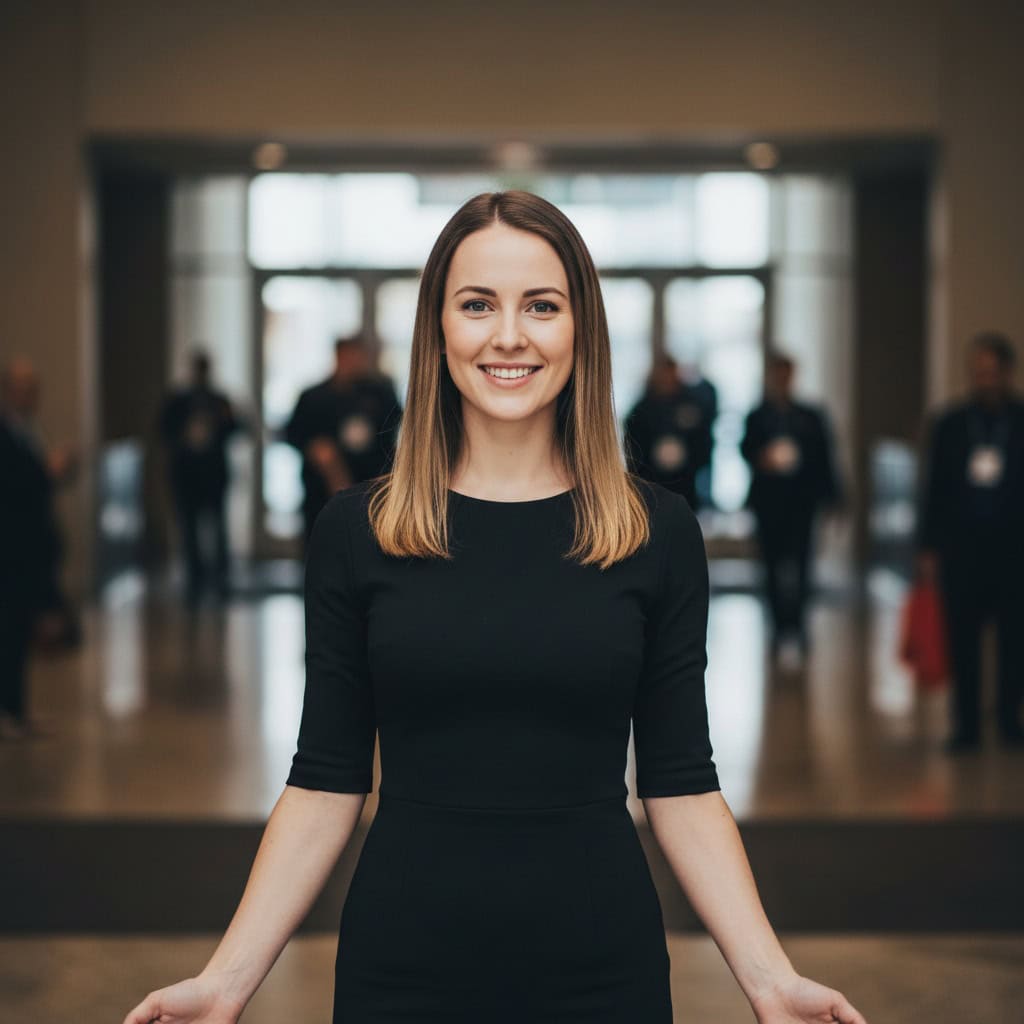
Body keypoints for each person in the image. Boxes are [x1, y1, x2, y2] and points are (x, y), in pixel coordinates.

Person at [123, 192, 868, 1024]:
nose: (508, 335)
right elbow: (326, 782)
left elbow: (681, 784)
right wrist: (225, 982)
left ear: (579, 328)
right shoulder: (357, 532)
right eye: (477, 304)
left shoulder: (655, 533)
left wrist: (769, 980)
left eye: (541, 306)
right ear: (437, 330)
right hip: (401, 970)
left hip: (602, 969)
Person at [916, 331, 1024, 753]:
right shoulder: (951, 423)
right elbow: (934, 489)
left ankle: (1009, 718)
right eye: (978, 371)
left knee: (1014, 637)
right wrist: (928, 547)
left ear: (1006, 372)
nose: (985, 379)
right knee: (962, 637)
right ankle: (966, 725)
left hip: (1013, 548)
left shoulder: (1020, 421)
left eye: (992, 371)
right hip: (962, 548)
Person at [740, 352, 842, 659]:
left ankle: (798, 626)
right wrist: (762, 459)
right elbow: (746, 449)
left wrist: (834, 499)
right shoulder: (758, 416)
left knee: (801, 565)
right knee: (771, 567)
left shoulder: (810, 416)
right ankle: (777, 627)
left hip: (801, 503)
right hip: (769, 503)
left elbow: (825, 457)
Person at [0, 357, 69, 739]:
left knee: (19, 631)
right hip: (10, 551)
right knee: (9, 630)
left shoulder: (27, 429)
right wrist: (47, 472)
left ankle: (17, 708)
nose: (29, 395)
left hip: (28, 551)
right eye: (22, 388)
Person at [284, 334, 402, 548]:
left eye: (357, 356)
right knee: (321, 544)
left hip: (369, 487)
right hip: (321, 491)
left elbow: (396, 431)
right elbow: (292, 433)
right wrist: (315, 449)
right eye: (348, 356)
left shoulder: (380, 393)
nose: (353, 362)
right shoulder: (313, 397)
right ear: (337, 356)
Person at [158, 350, 242, 605]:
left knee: (218, 528)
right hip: (187, 475)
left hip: (213, 475)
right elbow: (164, 430)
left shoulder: (219, 400)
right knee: (190, 529)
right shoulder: (179, 400)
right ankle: (195, 579)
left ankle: (220, 577)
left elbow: (236, 428)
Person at [624, 354, 716, 510]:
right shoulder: (642, 409)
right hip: (651, 482)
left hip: (685, 481)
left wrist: (693, 460)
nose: (666, 378)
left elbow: (704, 439)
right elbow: (632, 444)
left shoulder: (691, 404)